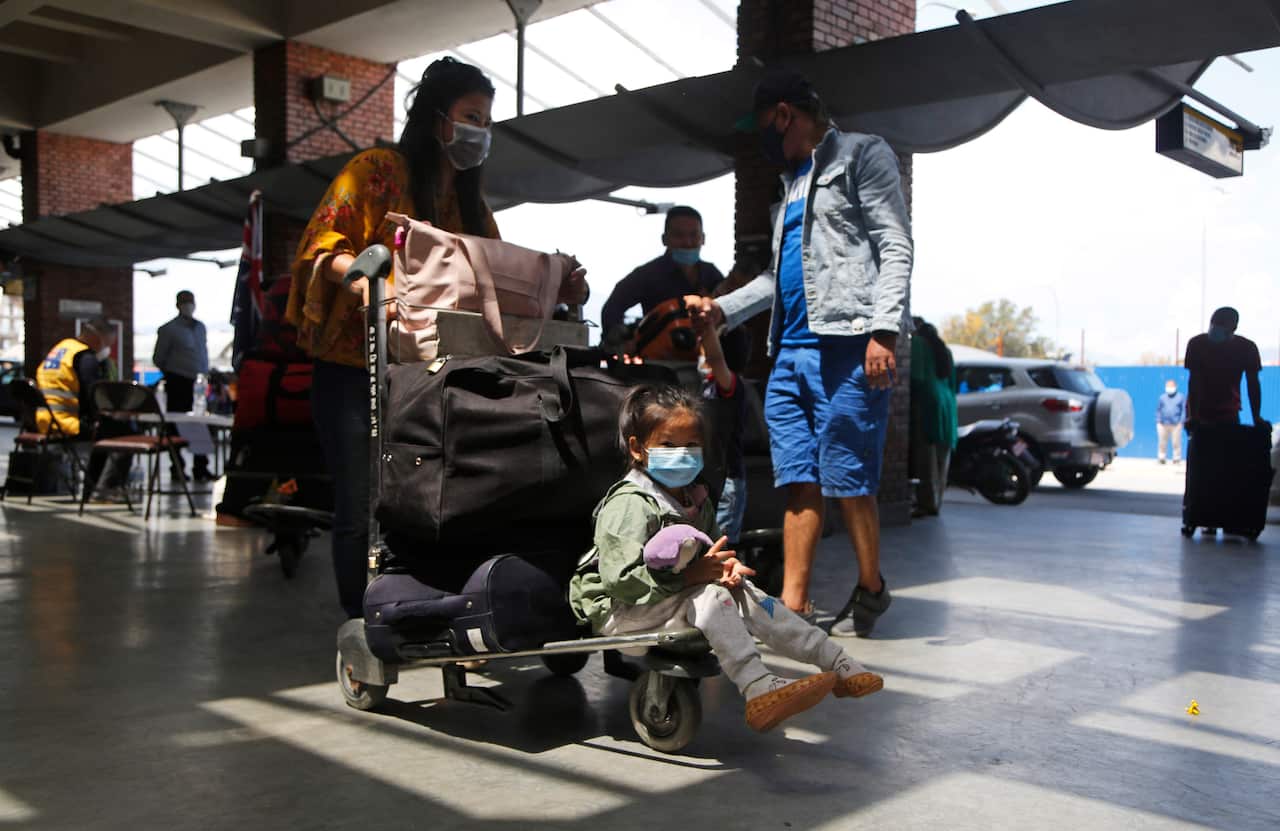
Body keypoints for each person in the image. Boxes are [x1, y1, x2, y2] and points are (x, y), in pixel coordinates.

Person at [287, 58, 587, 619]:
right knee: (361, 507)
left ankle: (419, 606)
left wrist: (559, 285)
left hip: (429, 380)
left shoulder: (472, 208)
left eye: (488, 122)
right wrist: (363, 280)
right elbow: (320, 247)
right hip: (356, 371)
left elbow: (500, 278)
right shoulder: (376, 171)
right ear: (436, 119)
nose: (482, 133)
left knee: (435, 500)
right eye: (472, 116)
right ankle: (364, 625)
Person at [686, 69, 913, 637]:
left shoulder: (861, 155)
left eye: (763, 127)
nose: (761, 140)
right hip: (788, 352)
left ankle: (871, 585)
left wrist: (884, 331)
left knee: (849, 478)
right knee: (798, 478)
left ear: (784, 115)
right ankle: (794, 605)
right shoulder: (787, 187)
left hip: (851, 345)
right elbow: (774, 277)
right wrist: (723, 310)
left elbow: (894, 241)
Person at [568, 385, 883, 733]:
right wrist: (696, 577)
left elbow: (708, 551)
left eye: (691, 446)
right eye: (669, 446)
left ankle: (834, 661)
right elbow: (620, 580)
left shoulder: (695, 497)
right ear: (638, 449)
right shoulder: (630, 504)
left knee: (747, 593)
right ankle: (757, 687)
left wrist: (725, 568)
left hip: (670, 596)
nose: (682, 454)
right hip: (622, 609)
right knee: (713, 596)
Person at [35, 317, 129, 498]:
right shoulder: (85, 358)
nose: (106, 349)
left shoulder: (62, 349)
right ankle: (103, 490)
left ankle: (93, 488)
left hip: (45, 420)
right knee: (124, 434)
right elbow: (94, 398)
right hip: (67, 424)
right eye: (108, 343)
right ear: (98, 337)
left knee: (106, 429)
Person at [600, 206, 724, 342]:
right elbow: (612, 308)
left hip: (705, 355)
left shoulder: (711, 274)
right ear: (664, 239)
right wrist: (623, 338)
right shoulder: (648, 274)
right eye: (679, 235)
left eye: (693, 235)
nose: (687, 242)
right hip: (658, 357)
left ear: (703, 238)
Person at [691, 313, 751, 544]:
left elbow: (716, 359)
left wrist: (707, 328)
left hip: (728, 481)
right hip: (711, 479)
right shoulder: (708, 385)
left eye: (704, 345)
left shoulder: (731, 385)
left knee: (719, 547)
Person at [153, 290, 212, 481]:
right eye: (185, 302)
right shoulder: (168, 329)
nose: (188, 305)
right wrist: (174, 372)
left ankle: (201, 467)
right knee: (176, 426)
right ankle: (177, 466)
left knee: (200, 425)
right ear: (178, 304)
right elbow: (159, 358)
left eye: (191, 301)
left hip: (199, 383)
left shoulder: (200, 327)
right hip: (178, 382)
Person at [1184, 307, 1264, 429]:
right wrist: (1193, 417)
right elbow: (1194, 381)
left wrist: (1257, 418)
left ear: (1234, 328)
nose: (1215, 329)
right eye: (1214, 324)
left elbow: (1253, 384)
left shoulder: (1247, 348)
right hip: (1200, 414)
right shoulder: (1197, 344)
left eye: (1221, 325)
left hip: (1228, 413)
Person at [1156, 380, 1185, 464]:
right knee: (1162, 442)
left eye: (1171, 386)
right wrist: (1158, 420)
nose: (1169, 388)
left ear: (1175, 386)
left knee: (1176, 442)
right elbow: (1158, 409)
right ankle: (1161, 458)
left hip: (1176, 424)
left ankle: (1176, 458)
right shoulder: (1162, 397)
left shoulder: (1180, 397)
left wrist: (1181, 421)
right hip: (1163, 424)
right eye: (1168, 386)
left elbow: (1183, 409)